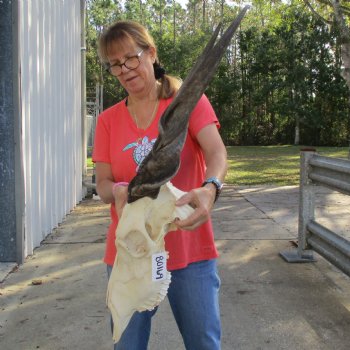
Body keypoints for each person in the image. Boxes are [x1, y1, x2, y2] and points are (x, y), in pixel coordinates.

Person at [92, 20, 227, 350]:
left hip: (189, 251)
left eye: (131, 58)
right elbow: (103, 184)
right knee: (127, 346)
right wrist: (118, 191)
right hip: (131, 252)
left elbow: (217, 152)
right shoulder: (108, 120)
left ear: (151, 53)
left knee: (204, 343)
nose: (124, 69)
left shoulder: (187, 102)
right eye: (115, 64)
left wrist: (211, 188)